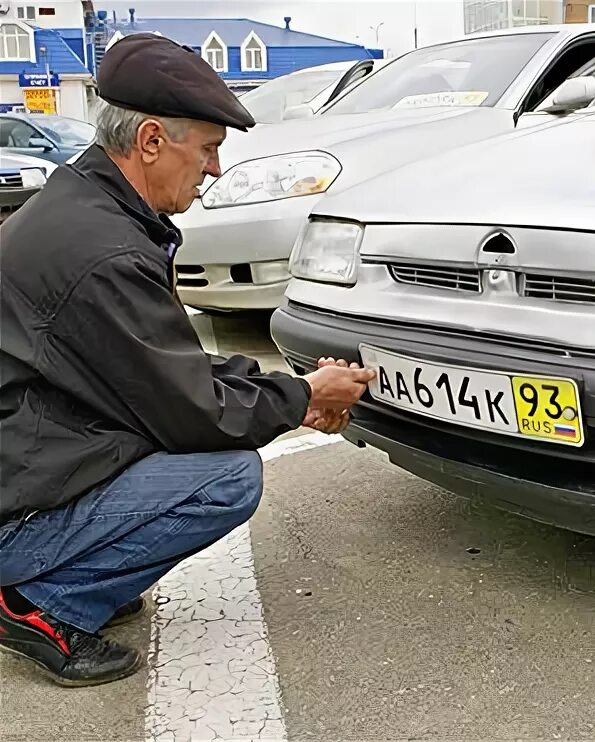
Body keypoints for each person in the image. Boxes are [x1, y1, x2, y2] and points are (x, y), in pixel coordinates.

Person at [0, 33, 376, 687]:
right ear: (150, 141)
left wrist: (290, 388)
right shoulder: (103, 252)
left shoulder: (83, 209)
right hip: (14, 511)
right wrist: (306, 397)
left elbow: (171, 370)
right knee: (226, 478)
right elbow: (191, 410)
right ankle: (38, 603)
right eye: (206, 149)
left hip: (27, 459)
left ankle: (65, 573)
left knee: (173, 443)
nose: (214, 171)